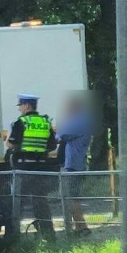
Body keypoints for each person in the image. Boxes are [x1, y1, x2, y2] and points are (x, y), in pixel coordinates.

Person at [6, 93, 57, 240]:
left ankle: (13, 237)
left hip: (24, 169)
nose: (19, 109)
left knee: (18, 202)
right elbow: (52, 145)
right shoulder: (45, 122)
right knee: (41, 201)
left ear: (27, 105)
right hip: (42, 169)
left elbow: (11, 143)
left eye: (20, 106)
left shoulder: (21, 122)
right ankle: (49, 235)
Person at [57, 95, 93, 236]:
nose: (66, 110)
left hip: (74, 165)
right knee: (71, 197)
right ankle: (79, 226)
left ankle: (81, 227)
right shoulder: (79, 119)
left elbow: (63, 134)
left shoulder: (80, 120)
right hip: (72, 163)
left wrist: (63, 124)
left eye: (68, 108)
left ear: (75, 107)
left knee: (72, 197)